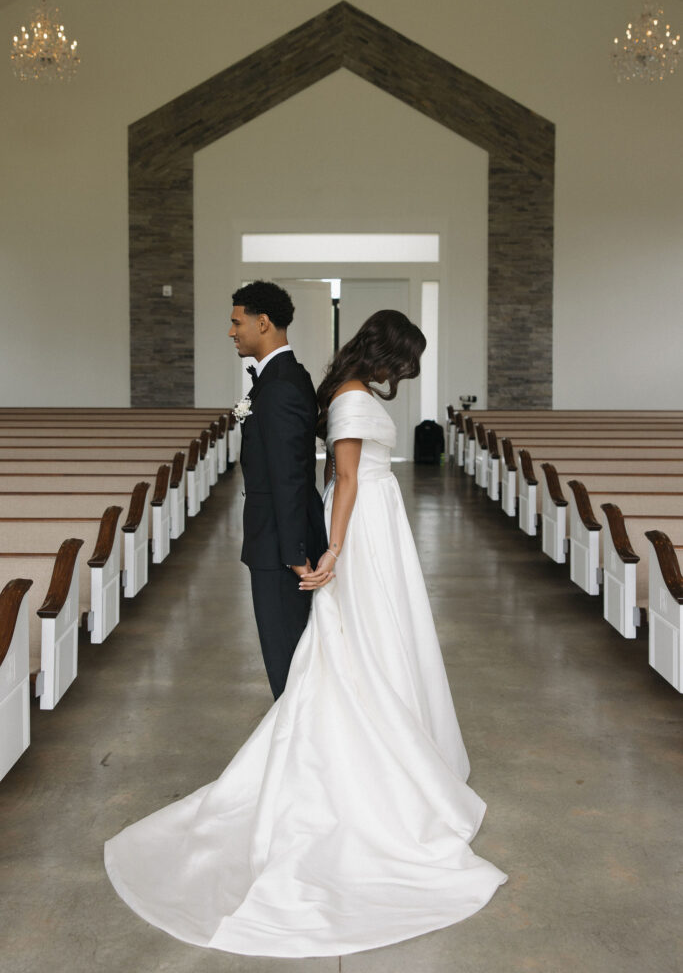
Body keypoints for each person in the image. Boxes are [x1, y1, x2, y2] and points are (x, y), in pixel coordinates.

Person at [104, 309, 507, 958]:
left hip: (378, 517)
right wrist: (334, 552)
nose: (405, 372)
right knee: (357, 639)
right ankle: (370, 757)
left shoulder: (353, 390)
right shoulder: (350, 396)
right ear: (386, 351)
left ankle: (399, 732)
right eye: (405, 359)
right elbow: (343, 478)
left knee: (382, 634)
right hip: (362, 523)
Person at [229, 281, 327, 699]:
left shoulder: (282, 385)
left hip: (279, 546)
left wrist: (294, 554)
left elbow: (290, 476)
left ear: (263, 322)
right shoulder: (281, 377)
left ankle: (299, 748)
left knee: (285, 654)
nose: (232, 332)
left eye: (237, 322)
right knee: (287, 651)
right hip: (277, 538)